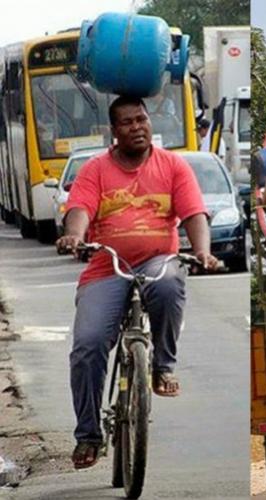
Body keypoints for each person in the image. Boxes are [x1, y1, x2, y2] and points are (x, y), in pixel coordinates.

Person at [55, 95, 218, 470]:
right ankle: (89, 436)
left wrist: (203, 252)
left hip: (156, 259)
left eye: (141, 120)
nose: (136, 127)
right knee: (88, 346)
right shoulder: (95, 169)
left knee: (169, 282)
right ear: (114, 132)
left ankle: (162, 366)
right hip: (106, 267)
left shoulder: (173, 166)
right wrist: (75, 237)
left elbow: (194, 213)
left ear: (150, 123)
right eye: (127, 122)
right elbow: (79, 210)